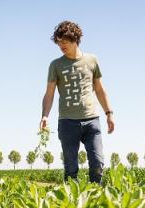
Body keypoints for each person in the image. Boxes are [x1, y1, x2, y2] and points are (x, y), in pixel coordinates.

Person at [40, 21, 115, 184]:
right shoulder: (56, 65)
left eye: (64, 42)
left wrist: (109, 113)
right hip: (67, 122)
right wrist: (45, 116)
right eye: (58, 42)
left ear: (75, 40)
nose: (61, 45)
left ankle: (95, 199)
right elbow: (49, 94)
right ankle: (72, 204)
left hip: (91, 120)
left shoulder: (92, 60)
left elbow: (100, 90)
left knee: (97, 162)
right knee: (71, 168)